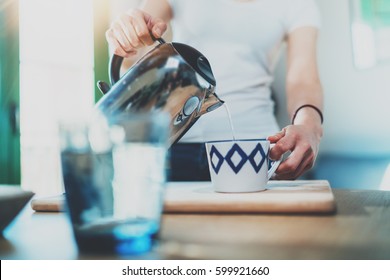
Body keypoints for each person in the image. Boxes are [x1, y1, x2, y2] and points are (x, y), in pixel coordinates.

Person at [105, 0, 324, 181]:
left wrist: (309, 126)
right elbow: (134, 56)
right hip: (176, 146)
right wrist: (128, 35)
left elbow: (302, 78)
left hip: (255, 148)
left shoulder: (299, 4)